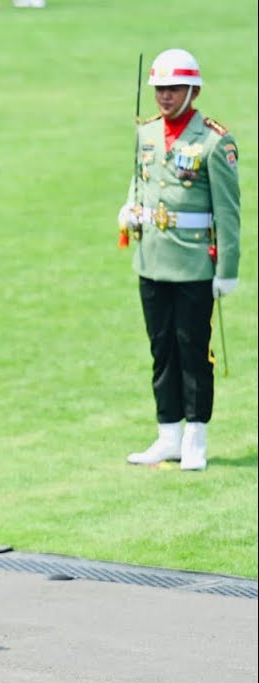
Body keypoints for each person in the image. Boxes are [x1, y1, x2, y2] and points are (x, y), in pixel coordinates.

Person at [118, 48, 240, 472]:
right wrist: (128, 210)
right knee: (162, 348)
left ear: (193, 90)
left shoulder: (213, 140)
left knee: (193, 349)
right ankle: (167, 432)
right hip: (152, 259)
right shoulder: (147, 134)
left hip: (192, 264)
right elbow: (141, 182)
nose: (164, 97)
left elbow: (228, 211)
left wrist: (228, 270)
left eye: (173, 89)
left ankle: (195, 437)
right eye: (159, 89)